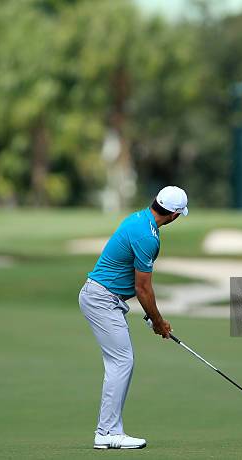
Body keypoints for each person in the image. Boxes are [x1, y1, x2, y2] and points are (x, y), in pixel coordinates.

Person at [78, 186, 189, 450]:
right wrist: (159, 322)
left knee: (120, 361)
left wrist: (153, 318)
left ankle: (108, 431)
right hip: (101, 299)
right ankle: (106, 432)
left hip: (103, 298)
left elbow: (137, 287)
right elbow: (143, 289)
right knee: (121, 361)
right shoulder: (148, 236)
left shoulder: (139, 219)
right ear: (173, 215)